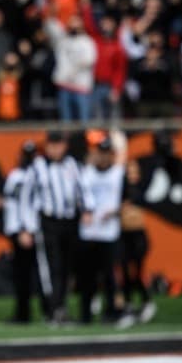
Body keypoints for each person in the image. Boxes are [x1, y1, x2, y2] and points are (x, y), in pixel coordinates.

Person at [25, 130, 94, 323]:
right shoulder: (37, 167)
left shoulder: (72, 165)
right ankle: (52, 307)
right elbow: (27, 198)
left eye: (59, 145)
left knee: (67, 267)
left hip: (70, 221)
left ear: (65, 146)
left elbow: (84, 188)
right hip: (49, 222)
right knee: (52, 267)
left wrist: (87, 209)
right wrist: (28, 226)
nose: (55, 149)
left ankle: (61, 307)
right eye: (52, 145)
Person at [77, 135, 124, 325]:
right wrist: (84, 211)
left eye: (107, 153)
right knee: (87, 276)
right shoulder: (86, 172)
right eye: (100, 153)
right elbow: (78, 195)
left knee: (109, 276)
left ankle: (111, 312)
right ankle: (85, 315)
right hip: (88, 231)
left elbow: (130, 198)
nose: (103, 158)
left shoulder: (119, 173)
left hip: (109, 232)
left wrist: (116, 212)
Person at [0, 140, 45, 323]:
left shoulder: (38, 176)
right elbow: (10, 202)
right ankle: (22, 312)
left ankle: (48, 310)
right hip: (15, 228)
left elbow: (32, 205)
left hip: (31, 230)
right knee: (20, 274)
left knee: (39, 273)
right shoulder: (15, 175)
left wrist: (27, 229)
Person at [120, 158, 155, 323]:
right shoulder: (120, 190)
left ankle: (146, 300)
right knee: (125, 272)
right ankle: (127, 303)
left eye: (134, 172)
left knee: (138, 272)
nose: (132, 175)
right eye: (129, 172)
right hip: (124, 235)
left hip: (138, 235)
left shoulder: (140, 189)